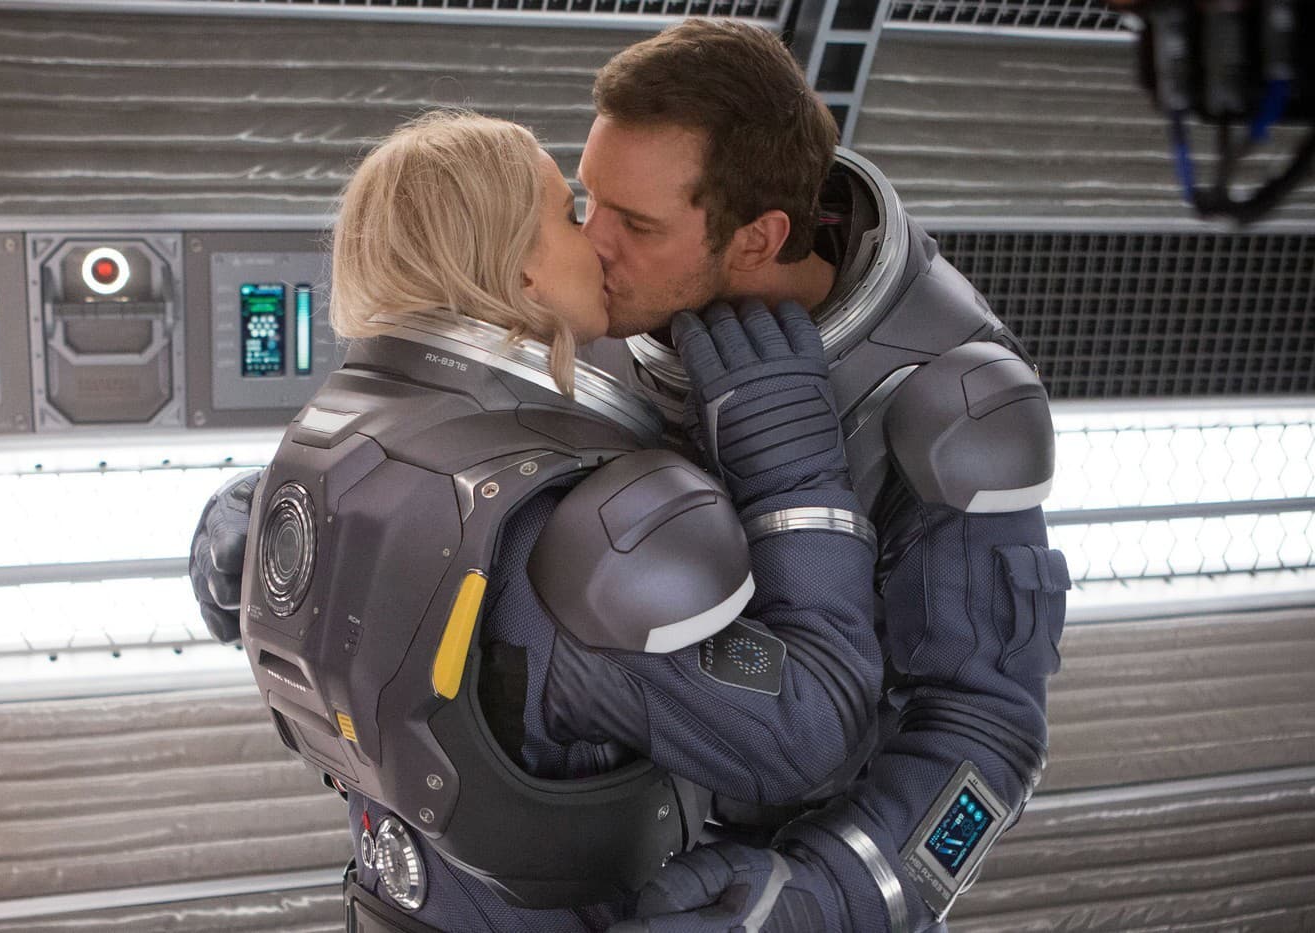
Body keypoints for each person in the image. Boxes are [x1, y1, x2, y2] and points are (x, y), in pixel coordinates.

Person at [193, 19, 1071, 933]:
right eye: (586, 200)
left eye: (637, 224)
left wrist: (832, 895)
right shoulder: (592, 311)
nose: (596, 241)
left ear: (758, 237)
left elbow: (990, 731)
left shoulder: (948, 398)